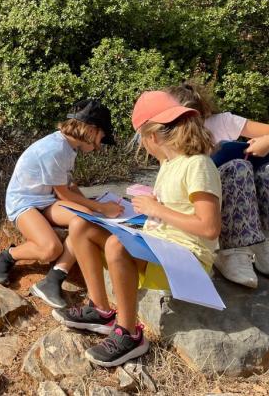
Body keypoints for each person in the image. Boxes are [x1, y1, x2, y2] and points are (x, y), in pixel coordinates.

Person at [54, 91, 222, 367]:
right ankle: (99, 309)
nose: (144, 147)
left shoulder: (198, 165)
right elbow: (174, 211)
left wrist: (157, 210)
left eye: (142, 140)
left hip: (189, 259)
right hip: (163, 246)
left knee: (116, 245)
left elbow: (209, 227)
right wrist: (149, 208)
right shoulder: (169, 164)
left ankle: (130, 335)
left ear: (152, 136)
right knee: (81, 225)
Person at [0, 99, 124, 309]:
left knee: (84, 220)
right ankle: (7, 256)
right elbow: (65, 194)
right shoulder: (54, 150)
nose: (99, 145)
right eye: (100, 138)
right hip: (24, 203)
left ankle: (53, 279)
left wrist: (91, 205)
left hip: (46, 200)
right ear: (90, 130)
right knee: (50, 248)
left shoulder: (68, 146)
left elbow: (69, 184)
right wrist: (102, 207)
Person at [167, 82, 269, 288]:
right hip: (213, 201)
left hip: (247, 193)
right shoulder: (170, 134)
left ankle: (264, 240)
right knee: (237, 168)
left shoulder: (222, 121)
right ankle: (230, 251)